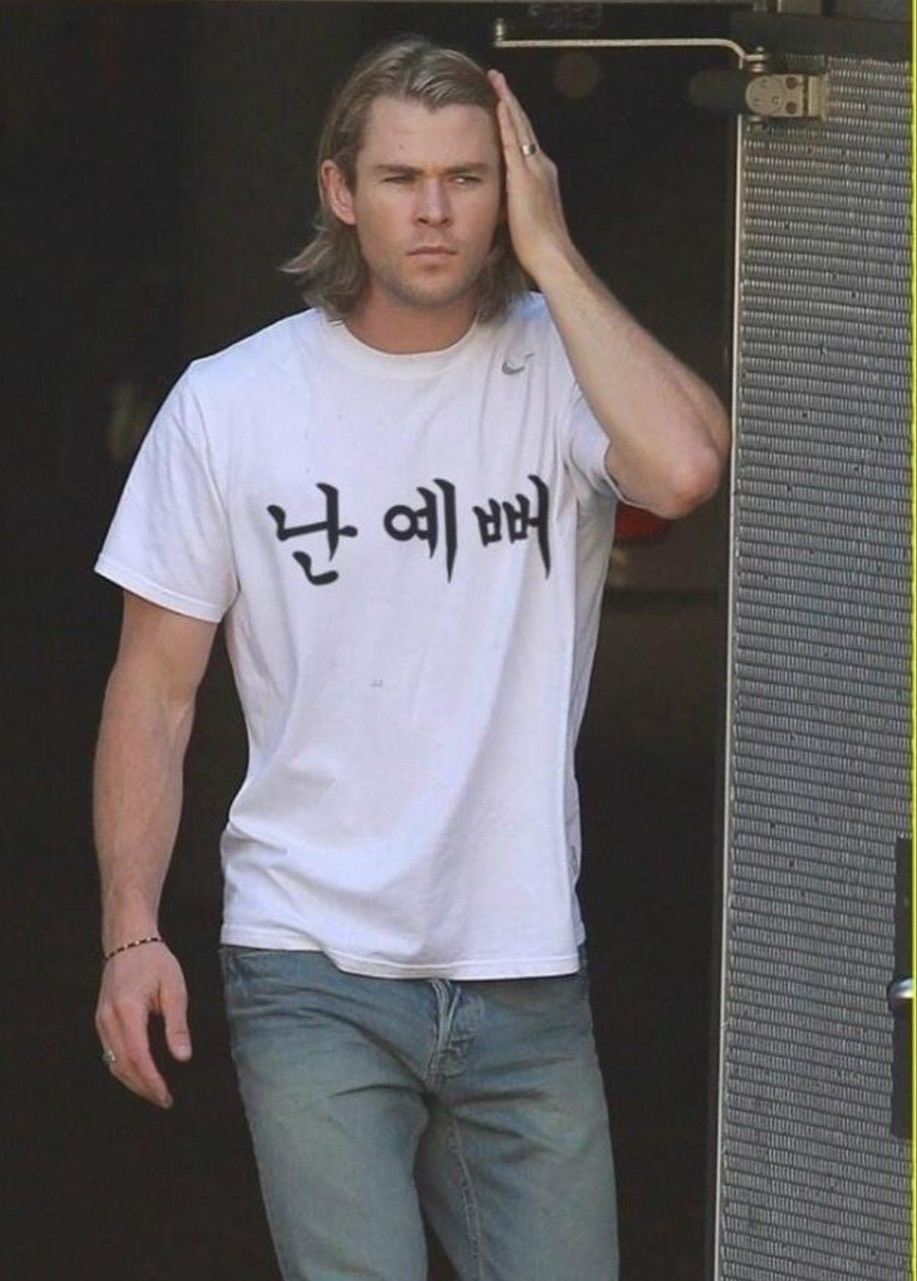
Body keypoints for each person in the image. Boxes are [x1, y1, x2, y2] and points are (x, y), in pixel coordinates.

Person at [92, 35, 729, 1281]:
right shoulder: (230, 403)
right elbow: (154, 693)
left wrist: (552, 252)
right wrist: (129, 932)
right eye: (400, 178)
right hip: (309, 965)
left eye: (467, 179)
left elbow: (686, 466)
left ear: (511, 190)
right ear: (341, 191)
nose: (435, 211)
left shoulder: (560, 366)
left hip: (524, 963)